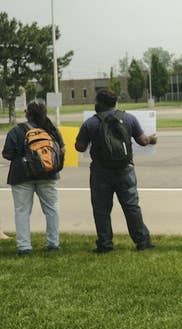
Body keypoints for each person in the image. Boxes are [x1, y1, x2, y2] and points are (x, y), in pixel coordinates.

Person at [75, 89, 157, 253]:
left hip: (100, 172)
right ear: (115, 103)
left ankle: (105, 244)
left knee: (101, 210)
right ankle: (142, 241)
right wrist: (151, 139)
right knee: (131, 206)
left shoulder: (90, 123)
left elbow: (79, 147)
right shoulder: (128, 118)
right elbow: (142, 141)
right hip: (125, 170)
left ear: (99, 103)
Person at [2, 100, 64, 255]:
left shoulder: (17, 131)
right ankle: (53, 243)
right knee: (51, 208)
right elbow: (61, 150)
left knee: (22, 211)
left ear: (27, 113)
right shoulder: (51, 130)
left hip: (21, 175)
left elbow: (7, 154)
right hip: (48, 174)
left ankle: (24, 247)